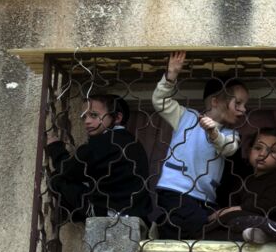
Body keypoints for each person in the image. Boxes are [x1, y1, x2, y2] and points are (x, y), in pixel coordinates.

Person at [152, 51, 249, 239]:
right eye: (238, 103)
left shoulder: (231, 134)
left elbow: (228, 148)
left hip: (205, 198)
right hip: (177, 190)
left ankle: (164, 228)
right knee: (199, 229)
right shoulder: (186, 117)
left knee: (201, 231)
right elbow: (160, 102)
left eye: (245, 104)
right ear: (215, 101)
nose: (243, 109)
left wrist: (213, 132)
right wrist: (170, 76)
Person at [45, 94, 150, 224]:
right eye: (84, 116)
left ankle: (71, 216)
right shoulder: (130, 141)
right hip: (136, 213)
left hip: (110, 213)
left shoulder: (103, 142)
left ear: (117, 117)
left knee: (57, 178)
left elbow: (67, 169)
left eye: (94, 115)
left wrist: (55, 148)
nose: (87, 121)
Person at [205, 127, 276, 241]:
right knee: (221, 225)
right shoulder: (243, 176)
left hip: (270, 221)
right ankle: (257, 235)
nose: (262, 154)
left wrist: (232, 210)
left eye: (271, 151)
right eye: (258, 148)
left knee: (237, 216)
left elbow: (265, 206)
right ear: (249, 151)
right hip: (241, 224)